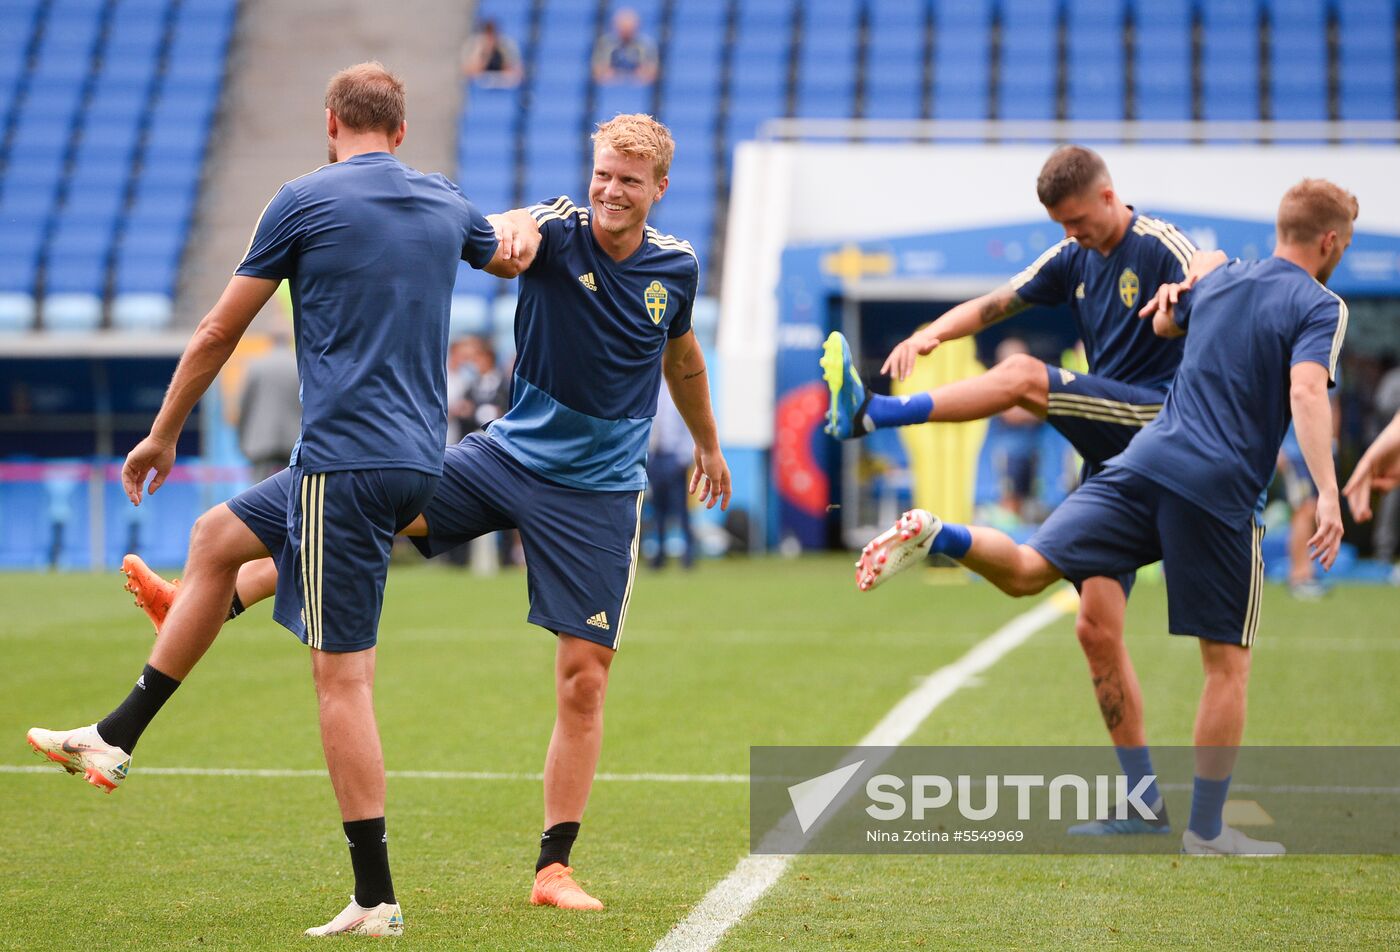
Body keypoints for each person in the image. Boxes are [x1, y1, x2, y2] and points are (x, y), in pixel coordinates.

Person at [118, 114, 730, 911]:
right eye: (603, 174)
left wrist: (709, 446)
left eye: (629, 181)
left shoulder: (676, 268)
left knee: (584, 679)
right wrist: (508, 233)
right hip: (505, 455)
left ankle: (554, 869)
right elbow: (507, 232)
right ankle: (225, 591)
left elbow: (682, 358)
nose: (611, 191)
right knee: (373, 504)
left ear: (660, 190)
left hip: (601, 492)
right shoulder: (555, 227)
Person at [26, 62, 521, 937]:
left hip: (343, 467)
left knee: (343, 681)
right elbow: (512, 250)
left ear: (331, 122)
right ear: (400, 130)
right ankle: (114, 736)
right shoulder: (446, 201)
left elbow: (221, 329)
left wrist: (164, 431)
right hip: (414, 461)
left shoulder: (302, 200)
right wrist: (548, 219)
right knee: (217, 538)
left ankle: (375, 897)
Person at [856, 178, 1355, 855]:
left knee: (1031, 569)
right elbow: (1304, 388)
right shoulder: (1321, 303)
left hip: (1145, 457)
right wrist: (1327, 490)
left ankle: (941, 533)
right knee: (1225, 665)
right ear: (1330, 241)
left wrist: (1185, 294)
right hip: (1217, 486)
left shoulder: (1222, 277)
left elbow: (1161, 323)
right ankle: (1206, 830)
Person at [823, 145, 1217, 835]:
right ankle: (1145, 800)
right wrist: (928, 334)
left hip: (1161, 423)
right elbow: (995, 301)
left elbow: (1211, 263)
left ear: (1106, 195)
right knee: (1091, 627)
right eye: (1060, 224)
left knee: (1027, 377)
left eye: (1077, 220)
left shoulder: (1157, 242)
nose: (1072, 234)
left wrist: (1190, 286)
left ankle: (873, 413)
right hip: (1113, 458)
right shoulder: (1073, 258)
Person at [237, 321, 301, 482]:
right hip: (295, 438)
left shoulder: (256, 366)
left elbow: (245, 405)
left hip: (262, 439)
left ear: (270, 339)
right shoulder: (300, 365)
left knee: (256, 495)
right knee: (294, 489)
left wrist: (243, 437)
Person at [647, 381, 696, 568]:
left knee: (681, 510)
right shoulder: (653, 389)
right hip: (656, 456)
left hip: (674, 457)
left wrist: (683, 458)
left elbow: (688, 427)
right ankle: (659, 555)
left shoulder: (681, 389)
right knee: (657, 511)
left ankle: (688, 554)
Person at [592, 8, 658, 85]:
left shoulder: (646, 45)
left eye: (629, 27)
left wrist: (638, 77)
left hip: (638, 87)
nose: (626, 30)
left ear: (637, 27)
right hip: (611, 87)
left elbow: (653, 71)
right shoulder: (605, 44)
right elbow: (597, 70)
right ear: (615, 26)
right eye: (623, 26)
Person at [461, 19, 522, 87]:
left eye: (493, 34)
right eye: (488, 34)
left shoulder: (506, 46)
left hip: (503, 87)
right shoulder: (474, 45)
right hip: (480, 89)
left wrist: (502, 63)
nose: (491, 38)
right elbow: (468, 71)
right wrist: (486, 55)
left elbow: (518, 73)